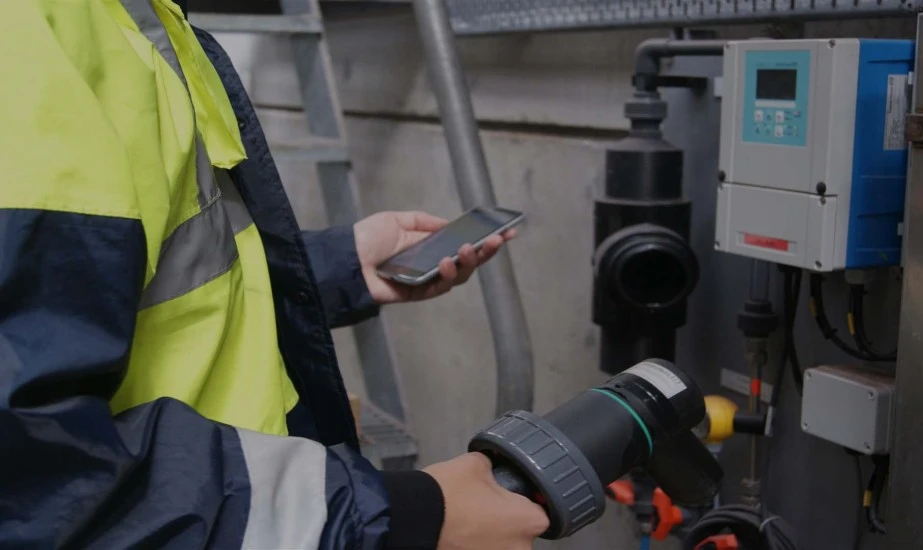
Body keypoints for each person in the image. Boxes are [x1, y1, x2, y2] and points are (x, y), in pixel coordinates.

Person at [0, 2, 548, 549]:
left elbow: (166, 268)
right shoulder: (33, 29)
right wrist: (404, 516)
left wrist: (339, 266)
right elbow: (32, 486)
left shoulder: (135, 15)